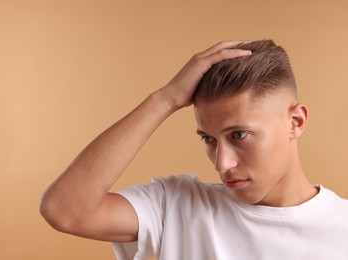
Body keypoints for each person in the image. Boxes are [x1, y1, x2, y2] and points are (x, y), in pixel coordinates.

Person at [40, 40, 348, 259]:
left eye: (238, 134)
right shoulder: (176, 205)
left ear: (295, 121)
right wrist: (166, 99)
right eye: (209, 139)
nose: (221, 163)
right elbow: (64, 210)